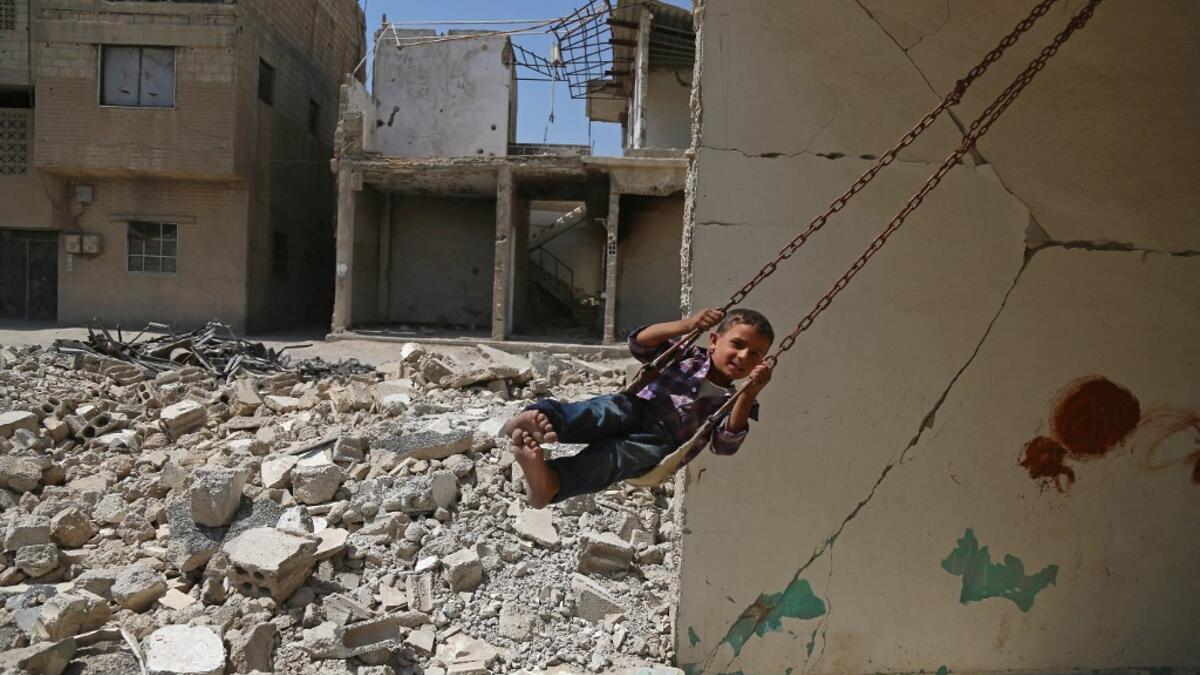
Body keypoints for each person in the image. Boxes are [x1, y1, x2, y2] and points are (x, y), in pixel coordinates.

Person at [503, 307, 774, 508]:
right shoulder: (688, 355)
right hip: (637, 406)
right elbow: (639, 342)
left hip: (658, 443)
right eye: (737, 345)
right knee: (603, 411)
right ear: (714, 341)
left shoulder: (735, 400)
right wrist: (688, 325)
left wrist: (749, 393)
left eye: (755, 355)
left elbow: (724, 445)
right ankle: (544, 419)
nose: (743, 357)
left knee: (612, 458)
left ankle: (551, 483)